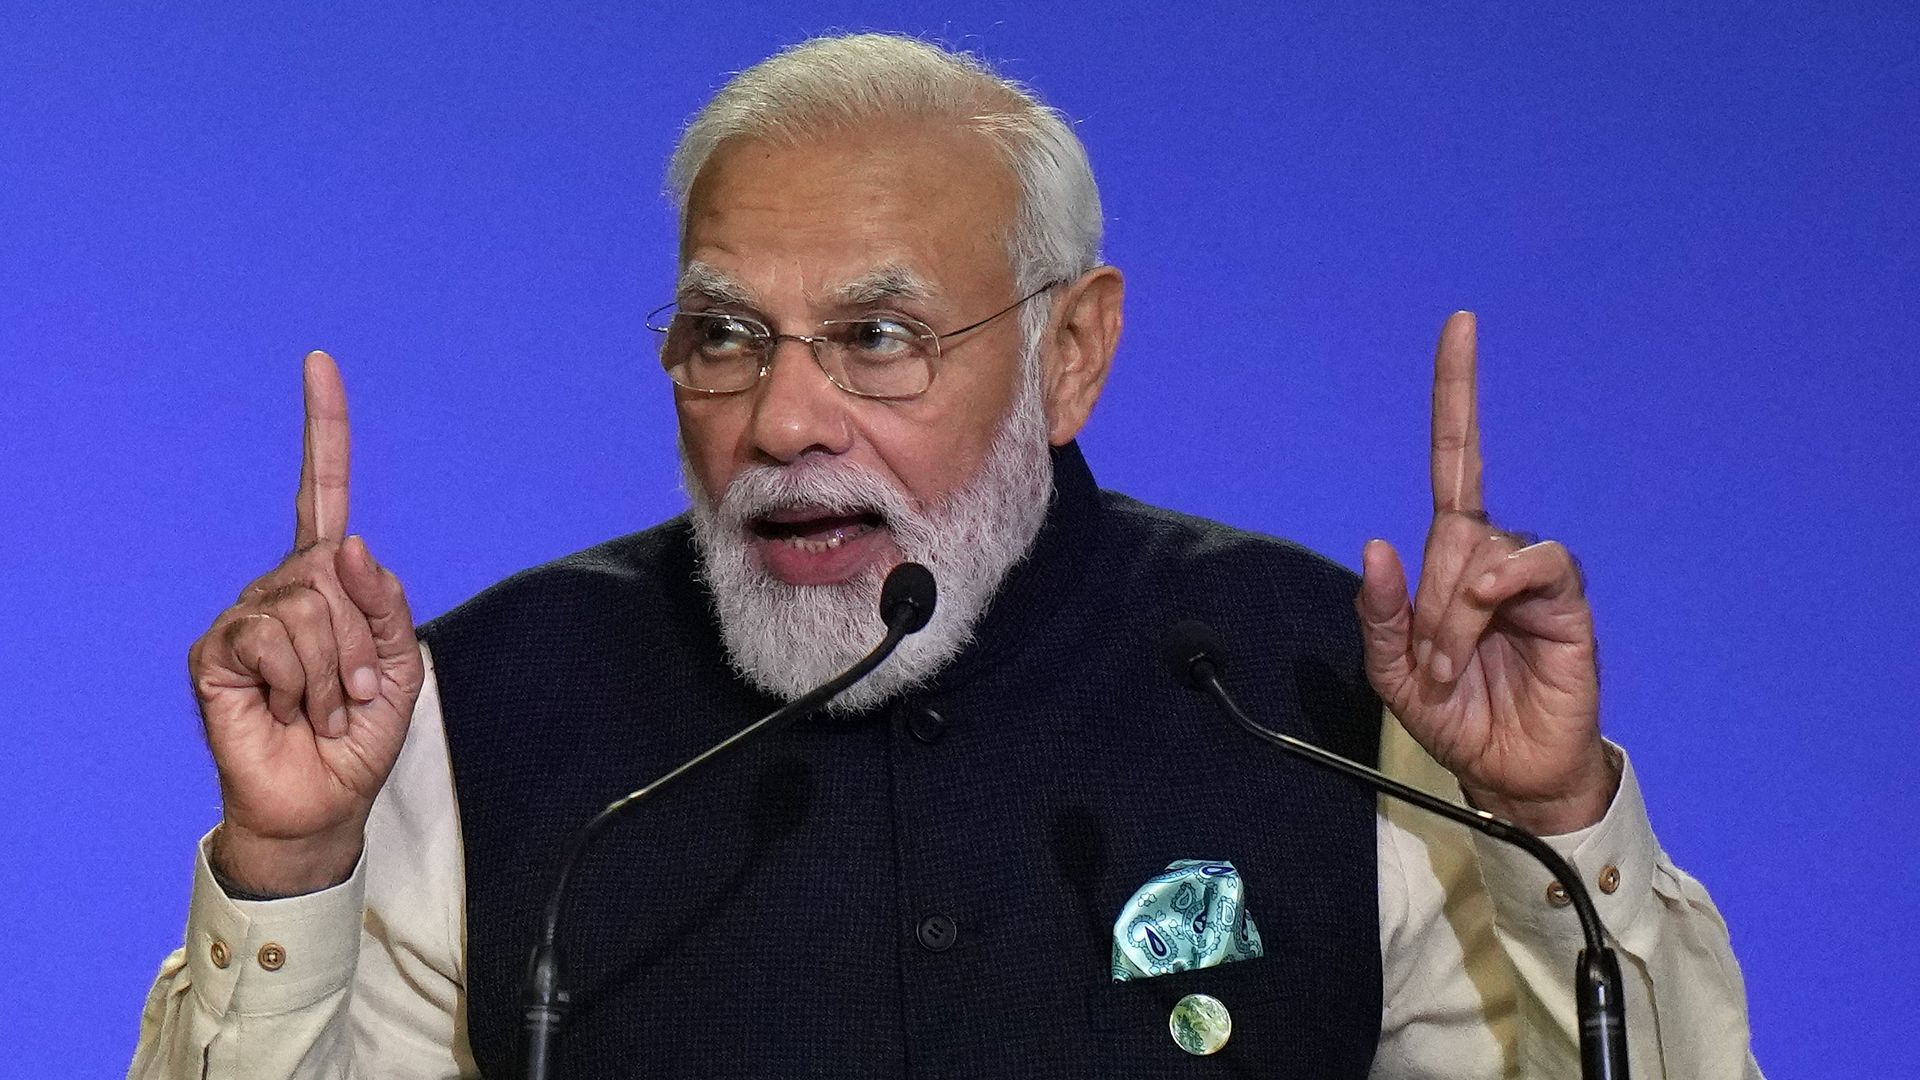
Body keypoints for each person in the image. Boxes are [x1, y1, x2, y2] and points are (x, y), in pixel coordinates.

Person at [130, 32, 1760, 1079]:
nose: (783, 421)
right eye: (723, 335)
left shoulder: (1316, 686)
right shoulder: (488, 708)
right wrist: (293, 866)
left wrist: (1552, 824)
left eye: (878, 336)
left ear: (1073, 352)